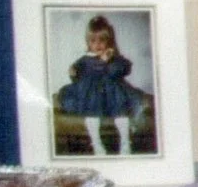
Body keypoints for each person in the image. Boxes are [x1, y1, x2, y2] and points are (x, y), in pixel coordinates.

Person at [57, 16, 140, 156]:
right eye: (93, 41)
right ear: (88, 42)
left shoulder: (114, 57)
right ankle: (96, 144)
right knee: (91, 116)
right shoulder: (85, 59)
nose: (98, 44)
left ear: (109, 41)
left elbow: (123, 69)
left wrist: (107, 61)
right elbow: (79, 76)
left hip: (113, 96)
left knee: (122, 116)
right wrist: (73, 72)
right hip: (92, 97)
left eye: (102, 40)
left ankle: (126, 144)